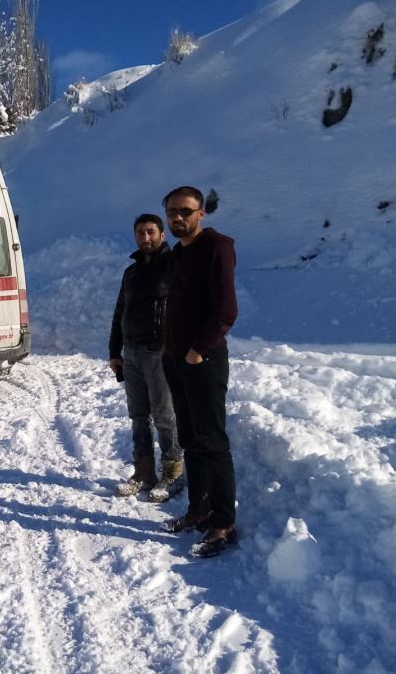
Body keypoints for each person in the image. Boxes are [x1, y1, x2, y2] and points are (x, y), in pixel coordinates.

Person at [159, 186, 238, 558]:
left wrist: (195, 351)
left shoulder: (217, 247)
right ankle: (198, 511)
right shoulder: (176, 253)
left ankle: (223, 522)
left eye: (185, 211)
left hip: (202, 360)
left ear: (201, 213)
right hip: (175, 359)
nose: (178, 218)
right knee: (190, 439)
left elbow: (225, 311)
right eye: (172, 212)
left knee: (212, 442)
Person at [109, 213, 184, 501]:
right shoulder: (131, 272)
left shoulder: (173, 266)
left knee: (165, 415)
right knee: (138, 416)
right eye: (140, 233)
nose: (146, 238)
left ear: (162, 235)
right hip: (132, 352)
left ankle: (173, 473)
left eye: (151, 232)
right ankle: (143, 472)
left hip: (160, 351)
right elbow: (120, 312)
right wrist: (115, 352)